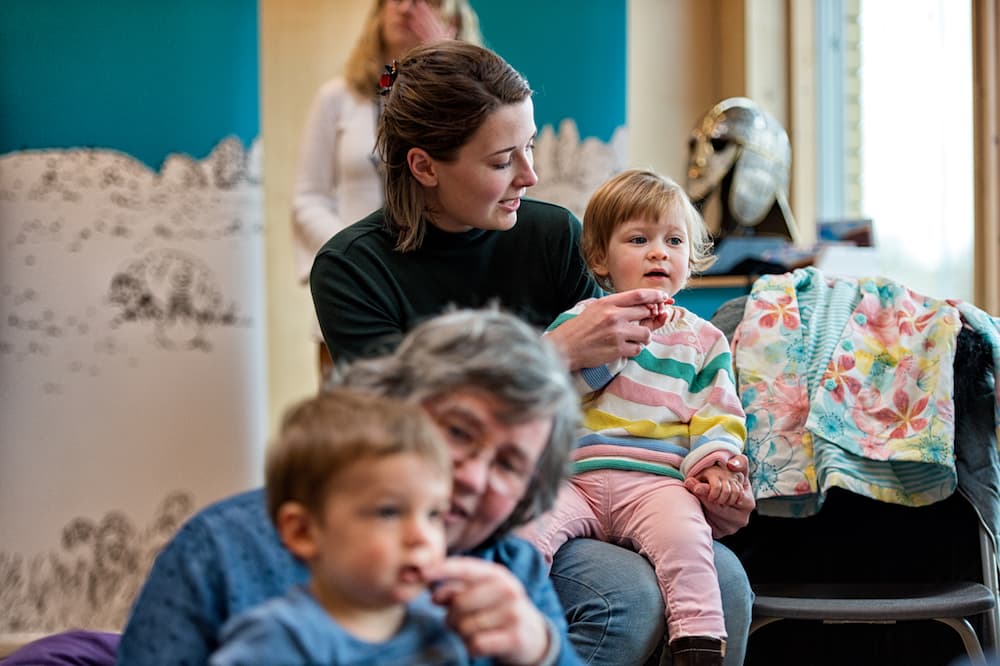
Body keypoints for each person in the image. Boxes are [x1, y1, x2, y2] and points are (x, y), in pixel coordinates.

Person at [308, 40, 755, 665]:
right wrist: (546, 355)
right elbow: (399, 434)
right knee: (624, 597)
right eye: (501, 160)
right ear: (425, 166)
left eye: (530, 146)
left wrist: (704, 480)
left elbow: (623, 391)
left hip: (578, 483)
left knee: (728, 583)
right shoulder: (352, 270)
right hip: (444, 508)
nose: (530, 174)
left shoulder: (550, 235)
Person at [118, 308, 584, 665]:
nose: (471, 476)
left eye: (508, 464)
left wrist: (541, 649)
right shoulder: (224, 547)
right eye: (459, 432)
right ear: (392, 408)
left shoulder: (513, 571)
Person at [518, 169, 751, 666]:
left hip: (655, 484)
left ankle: (699, 643)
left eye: (673, 241)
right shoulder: (580, 322)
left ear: (691, 258)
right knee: (523, 530)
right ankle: (505, 620)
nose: (658, 253)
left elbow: (718, 412)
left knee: (687, 545)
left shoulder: (704, 340)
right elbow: (553, 396)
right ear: (601, 257)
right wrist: (609, 352)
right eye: (639, 239)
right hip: (573, 478)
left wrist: (716, 464)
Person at [291, 0, 482, 379]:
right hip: (357, 289)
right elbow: (308, 198)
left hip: (445, 295)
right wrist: (358, 254)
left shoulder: (473, 99)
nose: (406, 7)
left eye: (425, 1)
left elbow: (491, 179)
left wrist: (444, 59)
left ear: (454, 19)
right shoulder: (340, 97)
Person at [209, 389, 465, 665]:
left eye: (434, 515)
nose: (422, 537)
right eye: (388, 512)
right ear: (303, 532)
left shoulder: (442, 627)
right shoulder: (278, 641)